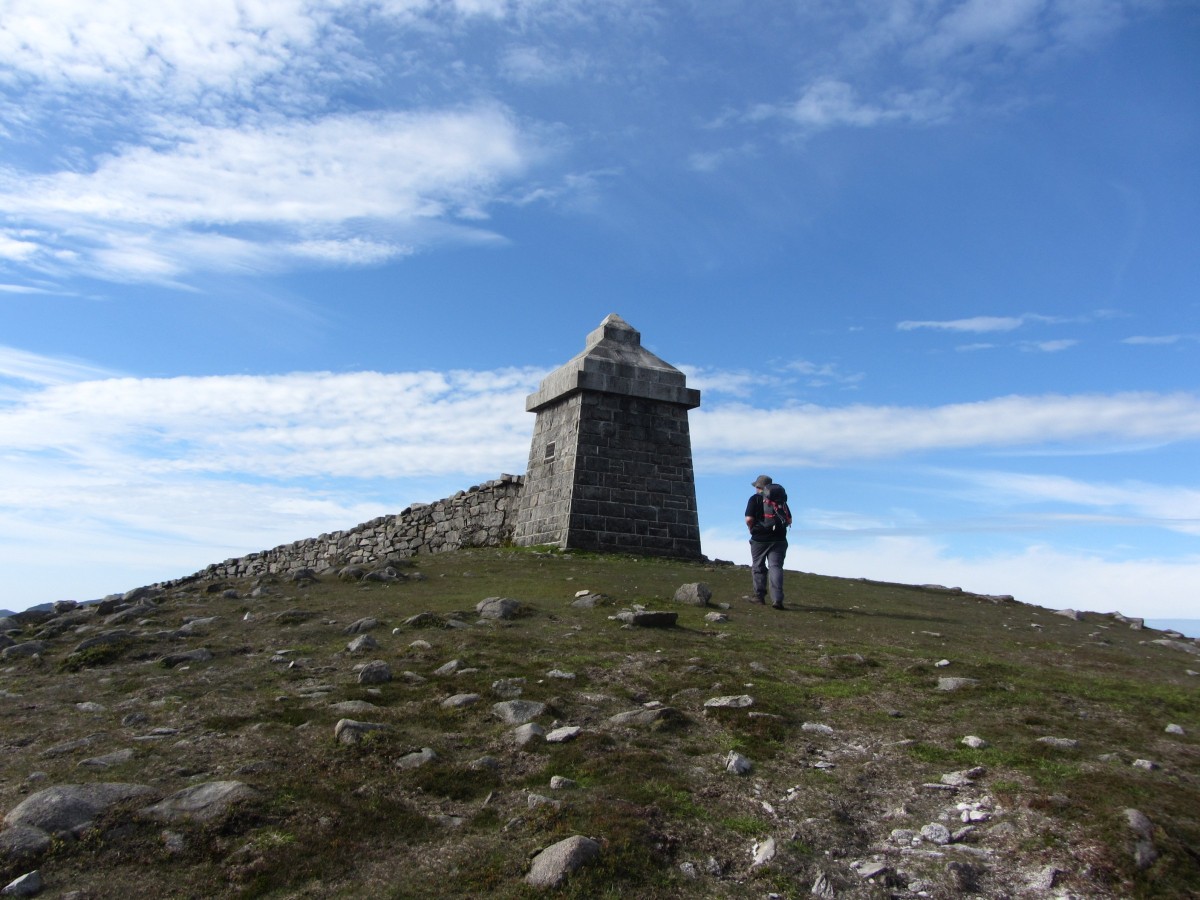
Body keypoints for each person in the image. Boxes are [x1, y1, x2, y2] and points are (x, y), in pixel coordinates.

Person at [745, 474, 787, 609]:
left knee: (758, 566)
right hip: (779, 538)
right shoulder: (780, 500)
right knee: (775, 567)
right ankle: (777, 599)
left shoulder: (754, 499)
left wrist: (752, 529)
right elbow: (789, 520)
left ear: (758, 487)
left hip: (760, 539)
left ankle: (759, 596)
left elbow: (749, 519)